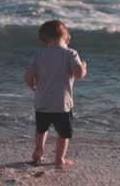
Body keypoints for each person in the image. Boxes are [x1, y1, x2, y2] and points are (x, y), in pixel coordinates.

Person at [24, 20, 87, 168]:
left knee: (41, 129)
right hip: (62, 105)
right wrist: (83, 67)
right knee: (64, 134)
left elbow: (27, 76)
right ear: (67, 38)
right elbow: (78, 74)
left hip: (42, 103)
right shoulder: (71, 53)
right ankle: (59, 159)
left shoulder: (39, 54)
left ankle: (38, 151)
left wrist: (33, 86)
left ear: (43, 40)